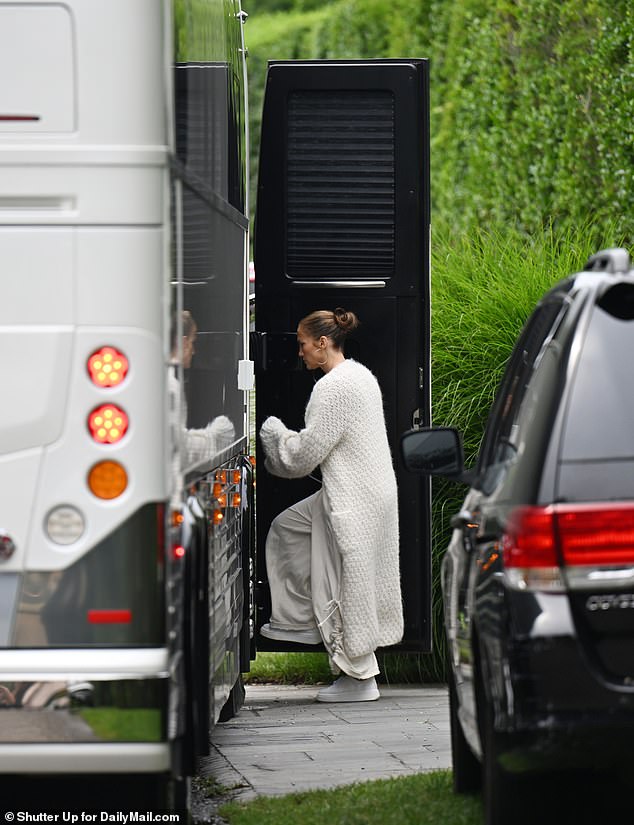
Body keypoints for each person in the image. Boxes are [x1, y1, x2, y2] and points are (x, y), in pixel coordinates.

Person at [259, 307, 403, 703]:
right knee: (289, 529)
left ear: (323, 343)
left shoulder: (334, 387)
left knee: (345, 579)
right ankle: (304, 622)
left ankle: (358, 678)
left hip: (353, 497)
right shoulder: (360, 376)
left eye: (303, 344)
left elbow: (303, 456)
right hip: (366, 492)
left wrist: (273, 435)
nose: (300, 352)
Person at [169, 310, 234, 496]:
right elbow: (178, 449)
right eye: (192, 342)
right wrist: (216, 435)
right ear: (182, 343)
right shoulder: (170, 386)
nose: (194, 350)